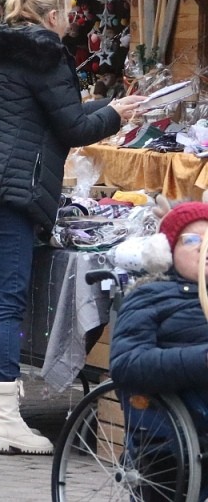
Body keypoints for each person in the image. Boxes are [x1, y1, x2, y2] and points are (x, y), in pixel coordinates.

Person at [0, 0, 146, 454]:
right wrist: (115, 115)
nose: (72, 22)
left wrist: (110, 106)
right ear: (54, 17)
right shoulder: (48, 55)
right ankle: (5, 420)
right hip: (11, 190)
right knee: (7, 304)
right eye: (70, 13)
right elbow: (73, 127)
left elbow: (49, 116)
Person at [110, 201, 208, 501]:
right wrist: (201, 360)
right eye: (194, 240)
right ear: (166, 252)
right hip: (173, 422)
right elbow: (126, 364)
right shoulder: (149, 297)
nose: (205, 249)